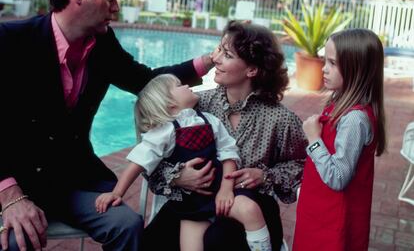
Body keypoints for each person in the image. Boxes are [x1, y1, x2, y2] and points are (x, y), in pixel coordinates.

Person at [0, 0, 212, 251]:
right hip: (15, 182)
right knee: (12, 241)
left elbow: (145, 80)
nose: (115, 8)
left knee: (127, 226)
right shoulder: (10, 41)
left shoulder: (101, 43)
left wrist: (209, 60)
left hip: (73, 181)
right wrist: (10, 195)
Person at [142, 21, 308, 251]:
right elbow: (152, 160)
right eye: (220, 50)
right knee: (151, 241)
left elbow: (303, 165)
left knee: (218, 240)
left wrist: (265, 175)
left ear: (251, 70)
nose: (216, 59)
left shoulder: (281, 119)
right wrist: (178, 177)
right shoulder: (197, 105)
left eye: (227, 54)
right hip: (199, 201)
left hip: (252, 205)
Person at [96, 73, 273, 251]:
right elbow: (139, 161)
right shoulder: (164, 131)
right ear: (170, 103)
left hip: (221, 194)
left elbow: (229, 153)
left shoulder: (210, 120)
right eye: (179, 85)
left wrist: (226, 190)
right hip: (193, 207)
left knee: (250, 210)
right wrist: (117, 193)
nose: (186, 85)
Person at [292, 28, 386, 251]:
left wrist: (314, 139)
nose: (324, 68)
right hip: (319, 213)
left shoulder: (355, 119)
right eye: (325, 60)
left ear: (357, 69)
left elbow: (338, 177)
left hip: (333, 223)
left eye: (332, 63)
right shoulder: (339, 101)